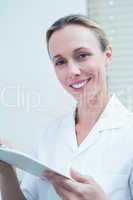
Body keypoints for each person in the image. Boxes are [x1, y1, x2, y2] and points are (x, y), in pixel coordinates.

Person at [1, 14, 133, 200]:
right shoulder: (50, 135)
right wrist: (6, 171)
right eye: (60, 62)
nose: (72, 72)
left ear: (107, 56)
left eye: (82, 55)